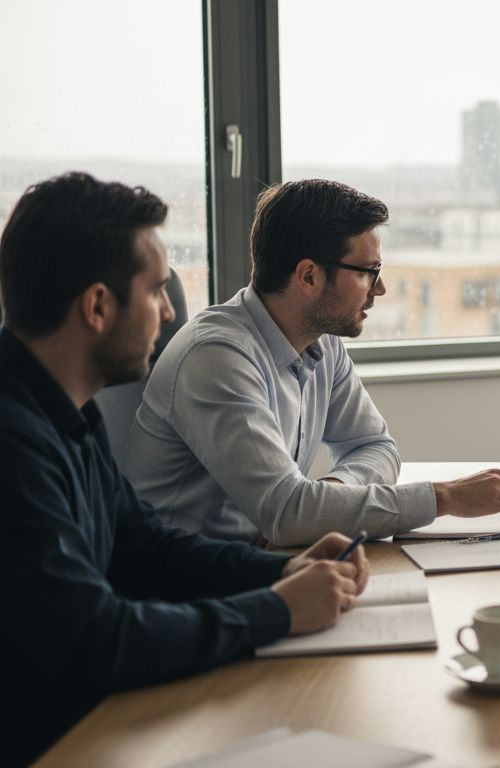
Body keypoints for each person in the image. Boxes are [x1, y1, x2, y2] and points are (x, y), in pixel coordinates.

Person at [0, 172, 371, 764]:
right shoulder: (13, 449)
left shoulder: (67, 411)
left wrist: (278, 573)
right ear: (97, 306)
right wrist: (275, 611)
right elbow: (95, 638)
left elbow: (142, 546)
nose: (170, 310)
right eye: (154, 291)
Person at [122, 179, 500, 547]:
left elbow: (375, 447)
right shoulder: (216, 357)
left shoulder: (320, 342)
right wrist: (446, 498)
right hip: (188, 590)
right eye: (368, 271)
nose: (379, 289)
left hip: (268, 560)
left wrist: (332, 491)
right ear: (308, 276)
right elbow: (288, 514)